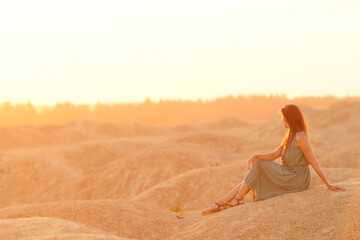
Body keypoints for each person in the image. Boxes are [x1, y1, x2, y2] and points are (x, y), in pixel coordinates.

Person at [201, 104, 346, 216]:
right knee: (256, 168)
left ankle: (235, 200)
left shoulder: (300, 137)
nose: (282, 120)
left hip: (296, 178)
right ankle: (224, 201)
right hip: (287, 174)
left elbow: (314, 163)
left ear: (290, 119)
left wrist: (328, 184)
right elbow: (273, 155)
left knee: (258, 167)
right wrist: (256, 155)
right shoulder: (289, 135)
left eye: (283, 117)